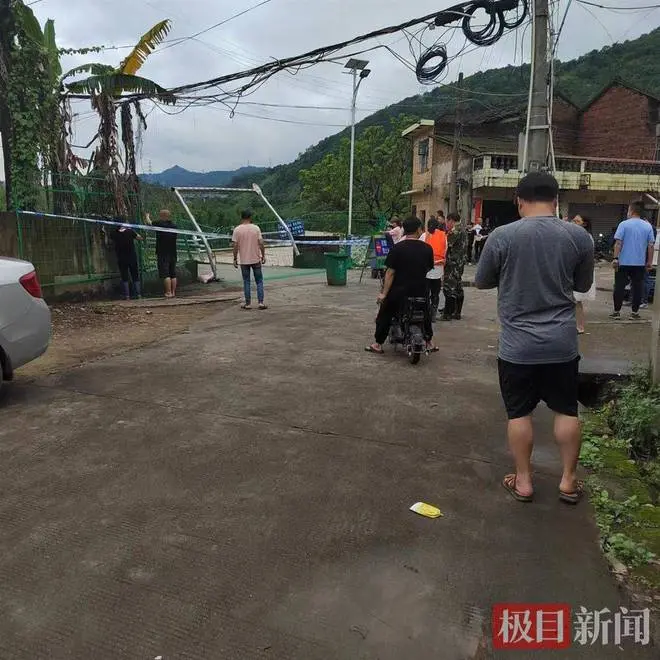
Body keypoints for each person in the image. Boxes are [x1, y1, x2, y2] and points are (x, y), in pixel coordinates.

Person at [475, 172, 594, 505]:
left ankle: (524, 481)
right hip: (562, 343)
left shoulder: (502, 236)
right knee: (566, 410)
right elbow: (582, 287)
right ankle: (568, 482)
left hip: (517, 346)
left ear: (518, 200)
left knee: (519, 414)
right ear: (556, 200)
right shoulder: (578, 237)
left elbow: (483, 281)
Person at [365, 216, 436, 354]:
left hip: (399, 291)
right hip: (420, 290)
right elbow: (427, 269)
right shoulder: (428, 249)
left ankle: (378, 343)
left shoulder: (397, 248)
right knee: (425, 312)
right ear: (418, 230)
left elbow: (390, 273)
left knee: (384, 313)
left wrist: (384, 294)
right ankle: (429, 341)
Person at [610, 201, 654, 321]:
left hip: (623, 262)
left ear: (632, 211)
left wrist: (615, 258)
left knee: (619, 286)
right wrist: (649, 262)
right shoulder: (647, 226)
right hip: (639, 263)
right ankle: (634, 313)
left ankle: (616, 312)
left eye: (628, 210)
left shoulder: (623, 224)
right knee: (637, 287)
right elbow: (651, 246)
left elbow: (618, 243)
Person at [233, 209, 267, 310]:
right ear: (250, 217)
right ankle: (260, 302)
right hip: (255, 259)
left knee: (246, 281)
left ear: (241, 217)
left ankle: (248, 304)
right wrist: (263, 255)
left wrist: (235, 258)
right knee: (259, 281)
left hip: (244, 260)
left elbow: (235, 245)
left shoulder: (237, 230)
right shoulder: (256, 228)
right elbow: (261, 243)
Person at [572, 214, 596, 334]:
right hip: (575, 272)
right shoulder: (576, 236)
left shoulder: (586, 237)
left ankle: (580, 326)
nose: (574, 223)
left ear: (584, 224)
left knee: (577, 300)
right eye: (573, 220)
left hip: (581, 272)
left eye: (577, 221)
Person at [441, 212, 468, 321]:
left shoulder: (455, 230)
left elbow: (447, 243)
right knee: (457, 286)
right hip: (460, 262)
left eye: (447, 222)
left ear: (451, 220)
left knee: (449, 287)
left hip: (452, 262)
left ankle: (448, 313)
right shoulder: (463, 229)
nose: (446, 224)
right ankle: (457, 312)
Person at [148, 209, 179, 298]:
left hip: (163, 252)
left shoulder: (159, 224)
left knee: (165, 273)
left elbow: (149, 223)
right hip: (173, 252)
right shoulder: (174, 225)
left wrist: (147, 216)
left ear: (162, 216)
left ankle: (168, 292)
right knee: (172, 273)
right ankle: (173, 292)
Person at [421, 217, 447, 321]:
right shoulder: (443, 235)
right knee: (435, 293)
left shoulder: (424, 235)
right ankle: (433, 314)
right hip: (438, 268)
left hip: (427, 269)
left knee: (426, 292)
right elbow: (445, 250)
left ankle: (426, 312)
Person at [111, 221, 143, 300]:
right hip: (132, 257)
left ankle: (127, 296)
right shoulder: (130, 231)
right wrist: (130, 229)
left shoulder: (113, 233)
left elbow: (112, 239)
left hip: (121, 257)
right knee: (135, 275)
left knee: (124, 276)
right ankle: (138, 295)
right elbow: (140, 238)